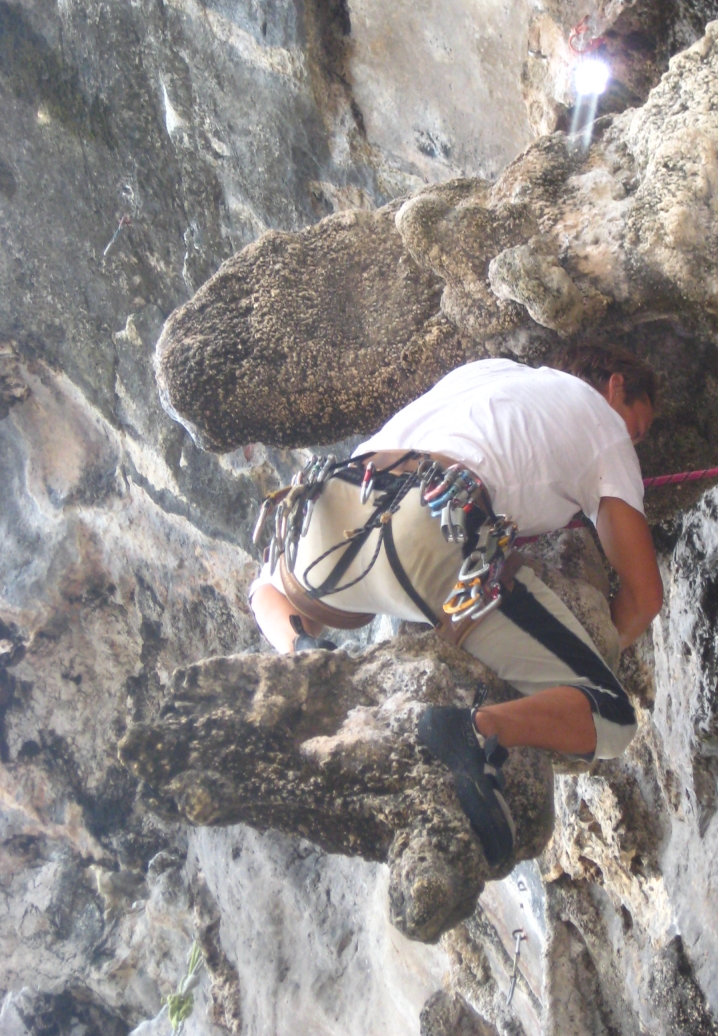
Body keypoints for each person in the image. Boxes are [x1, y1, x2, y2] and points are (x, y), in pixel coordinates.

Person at [250, 343, 663, 867]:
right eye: (638, 426)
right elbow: (644, 597)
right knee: (613, 716)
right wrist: (598, 650)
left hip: (328, 509)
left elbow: (262, 584)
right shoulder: (603, 424)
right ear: (616, 387)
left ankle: (305, 655)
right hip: (433, 523)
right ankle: (472, 730)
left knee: (269, 587)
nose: (633, 440)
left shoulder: (488, 373)